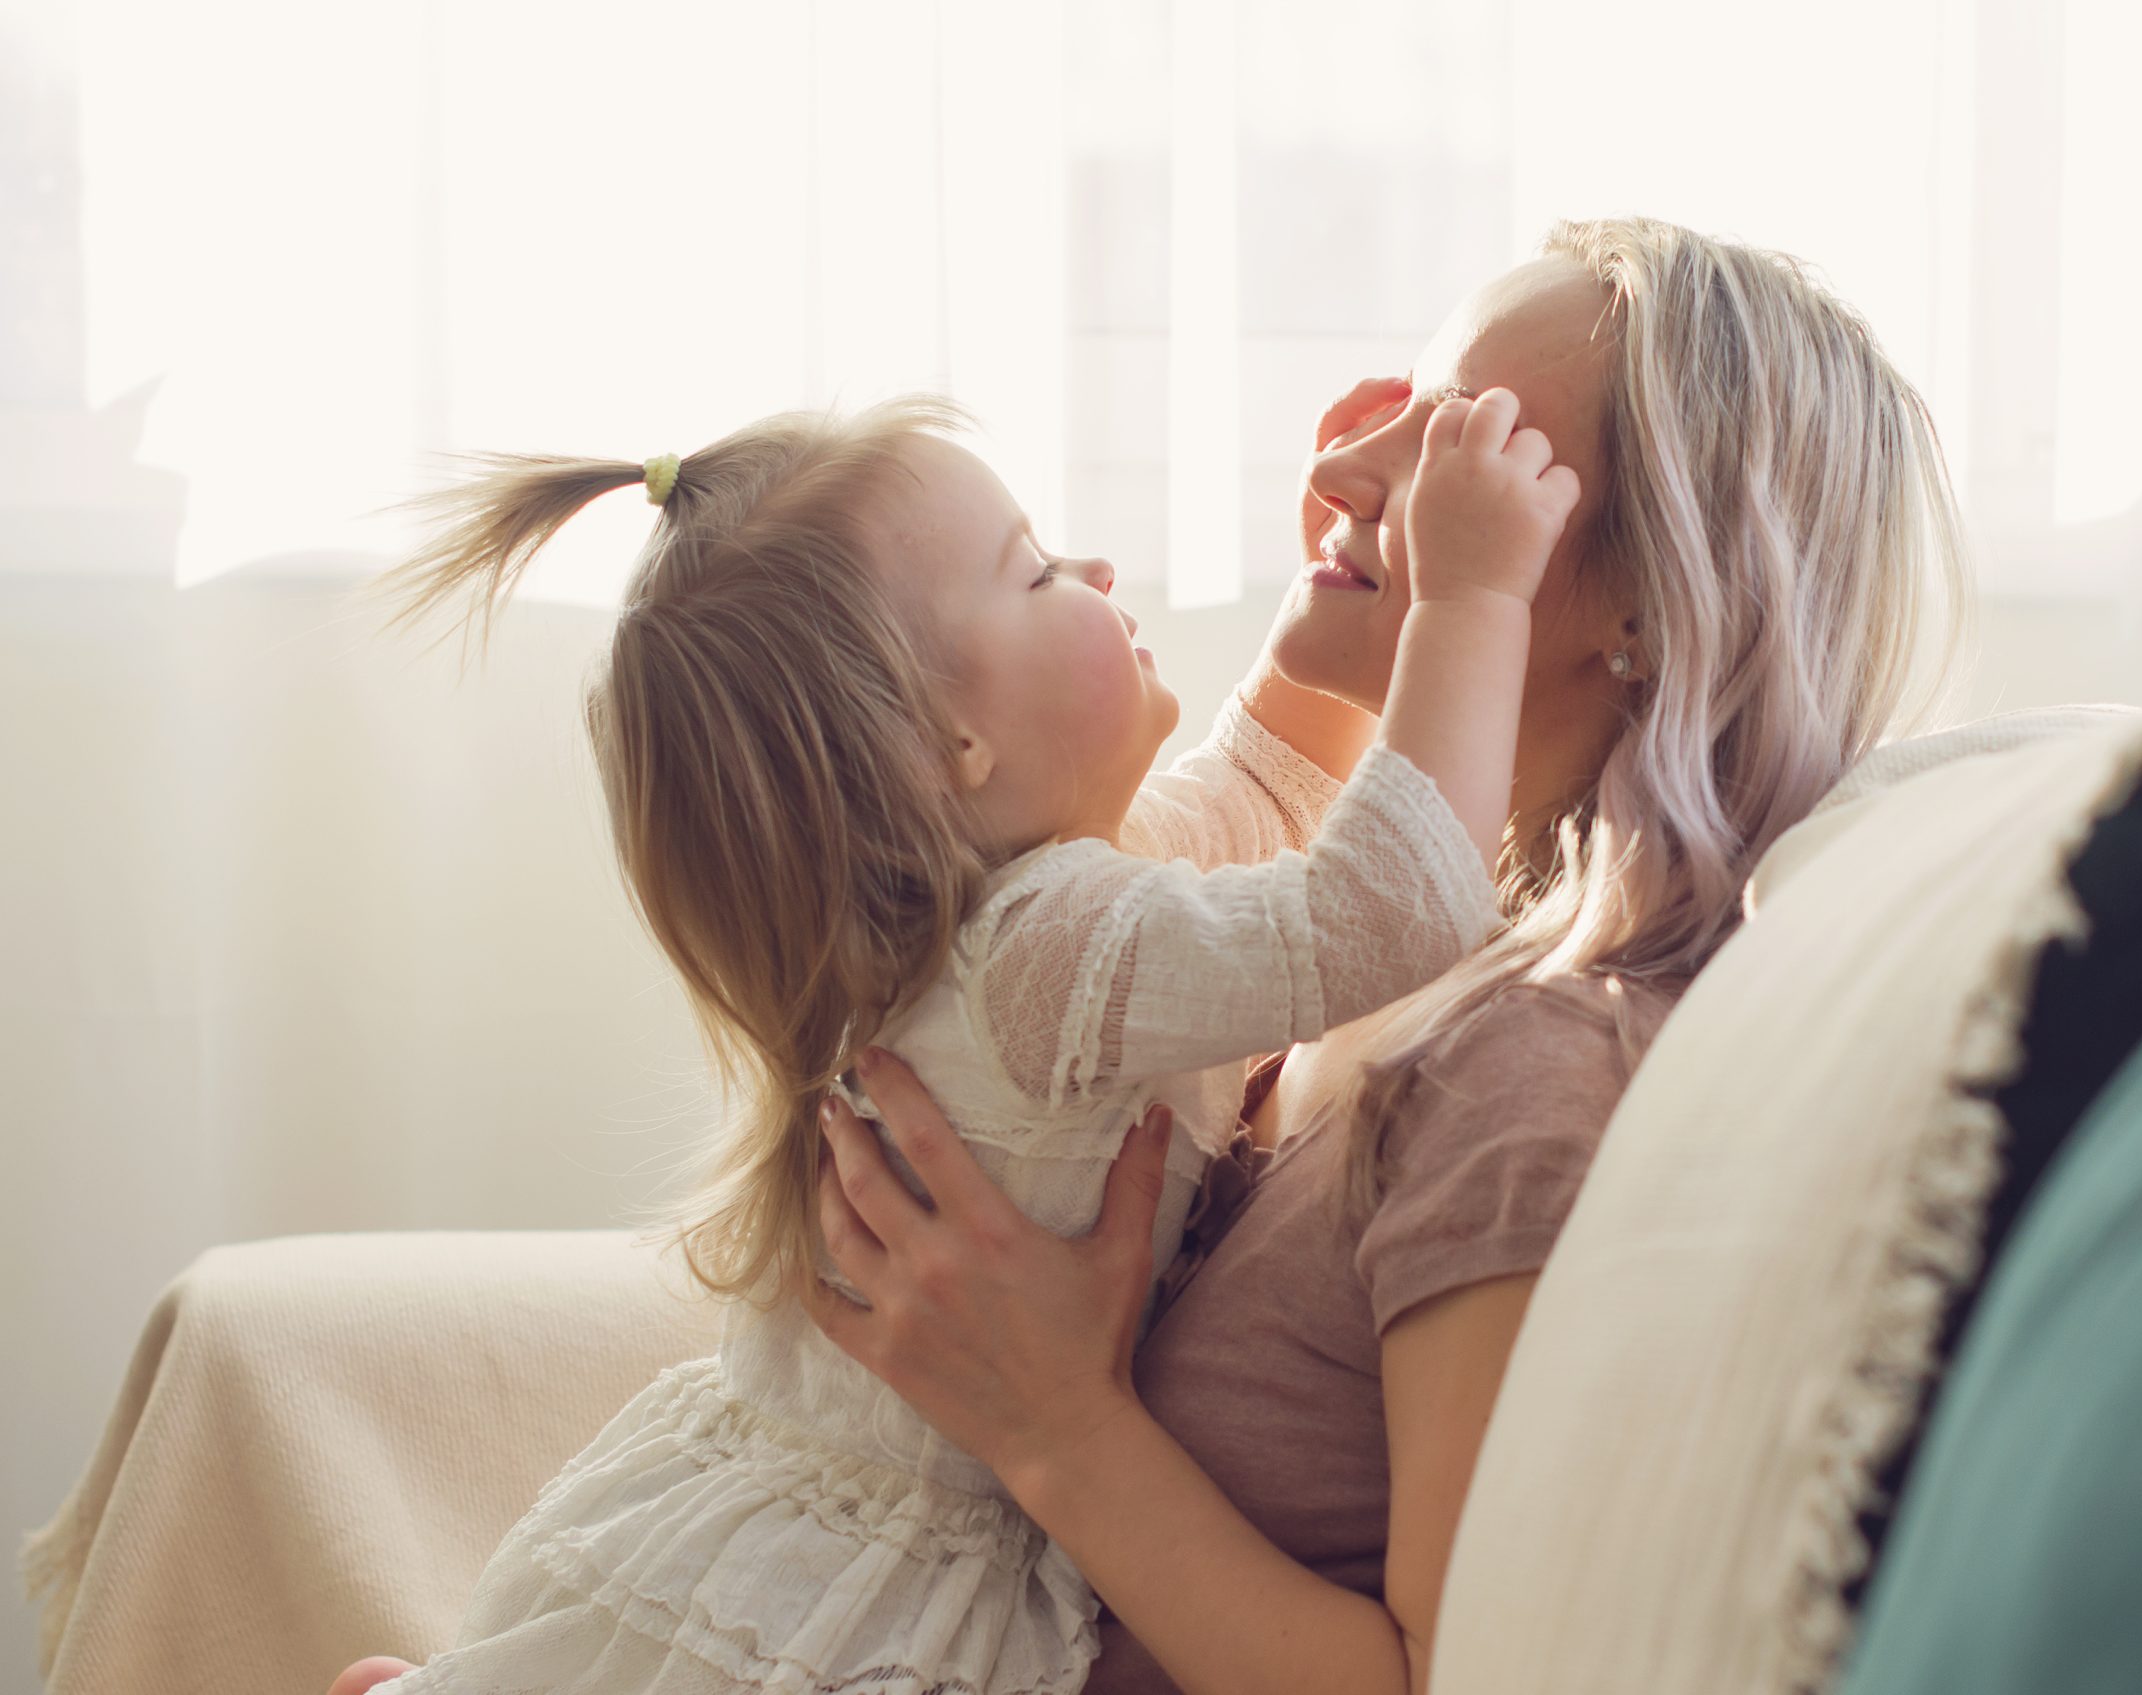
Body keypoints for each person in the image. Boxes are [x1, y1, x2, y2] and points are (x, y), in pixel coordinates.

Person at [788, 214, 1967, 1695]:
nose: (1343, 468)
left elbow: (1451, 1680)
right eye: (1399, 401)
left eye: (1466, 446)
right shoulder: (1376, 959)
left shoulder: (1521, 1072)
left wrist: (1058, 1432)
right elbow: (1266, 805)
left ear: (1649, 612)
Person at [327, 370, 1580, 1695]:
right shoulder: (1044, 950)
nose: (1094, 566)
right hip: (880, 1574)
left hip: (780, 1507)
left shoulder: (1028, 921)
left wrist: (1334, 617)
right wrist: (1470, 596)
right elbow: (1392, 906)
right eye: (1038, 572)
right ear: (951, 744)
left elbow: (1259, 790)